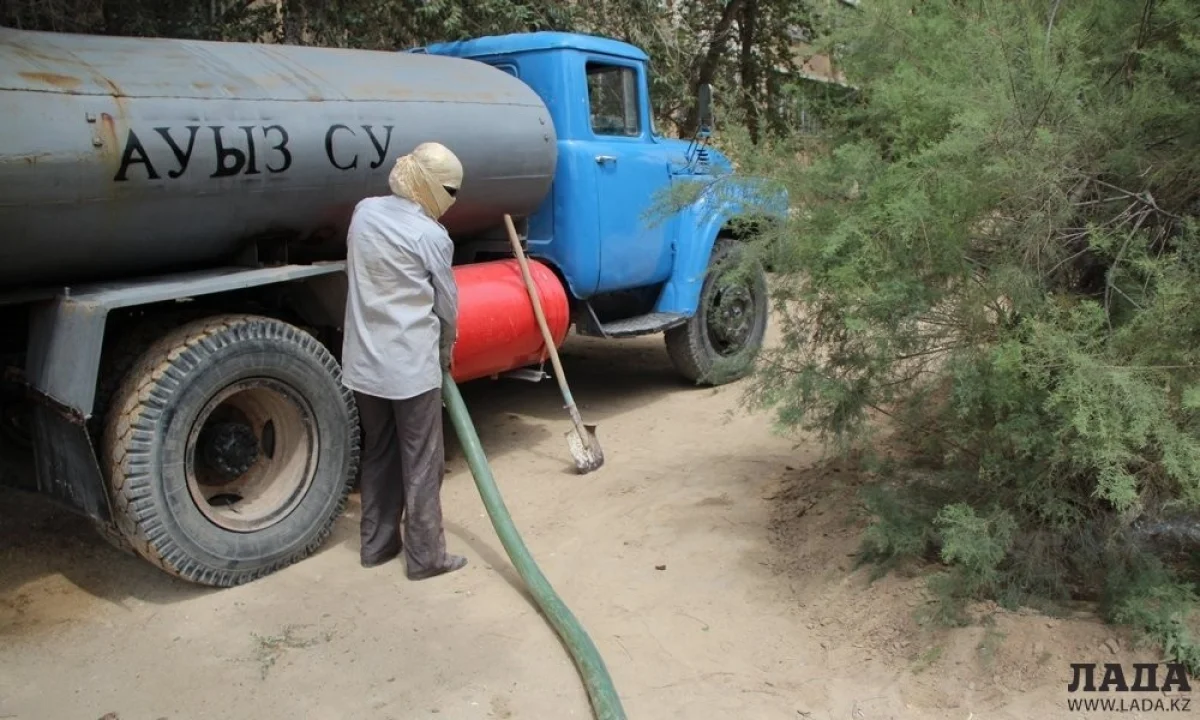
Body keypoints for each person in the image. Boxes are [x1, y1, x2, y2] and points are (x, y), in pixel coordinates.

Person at [340, 141, 468, 580]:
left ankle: (376, 547)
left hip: (363, 363)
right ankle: (426, 557)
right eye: (450, 190)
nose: (452, 201)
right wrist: (445, 350)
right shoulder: (431, 236)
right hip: (411, 367)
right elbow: (446, 305)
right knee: (422, 462)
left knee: (379, 452)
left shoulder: (364, 212)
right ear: (429, 185)